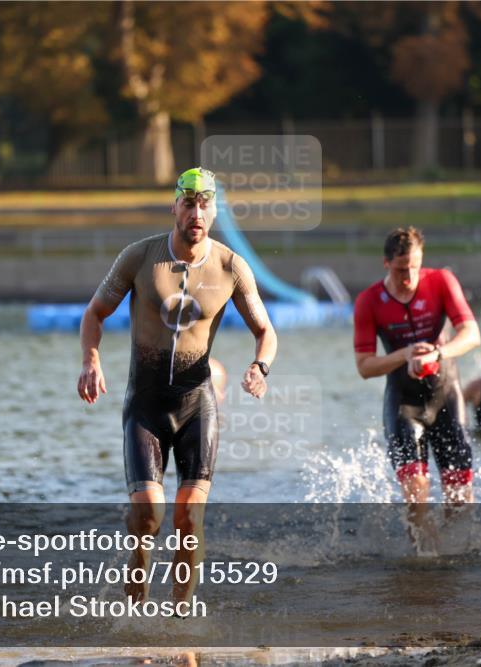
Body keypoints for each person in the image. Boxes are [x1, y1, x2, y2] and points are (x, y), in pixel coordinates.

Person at [78, 167, 277, 605]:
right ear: (175, 207)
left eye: (205, 204)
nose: (197, 212)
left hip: (196, 405)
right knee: (149, 515)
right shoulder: (139, 257)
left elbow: (266, 331)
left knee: (189, 515)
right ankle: (136, 612)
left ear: (214, 211)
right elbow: (94, 314)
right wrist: (91, 360)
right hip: (145, 407)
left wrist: (260, 367)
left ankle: (179, 614)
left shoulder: (230, 266)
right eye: (189, 203)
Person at [353, 227, 481, 507]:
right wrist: (406, 354)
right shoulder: (369, 301)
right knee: (415, 494)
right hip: (403, 402)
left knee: (460, 498)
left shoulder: (441, 281)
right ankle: (424, 551)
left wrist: (436, 354)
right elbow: (364, 367)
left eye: (415, 267)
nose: (409, 278)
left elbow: (472, 334)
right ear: (386, 264)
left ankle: (456, 551)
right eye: (400, 270)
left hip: (445, 393)